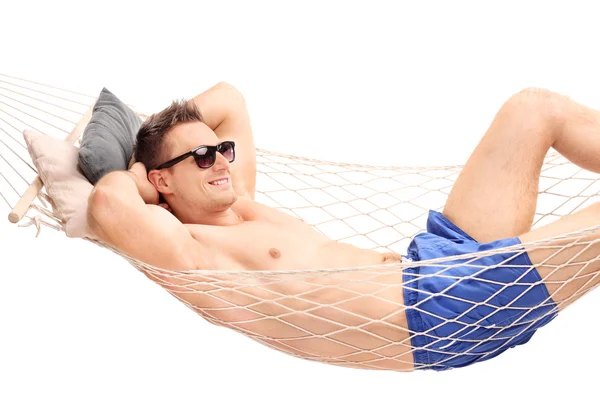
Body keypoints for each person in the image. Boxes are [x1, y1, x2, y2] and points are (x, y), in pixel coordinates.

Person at [87, 83, 600, 371]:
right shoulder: (193, 253)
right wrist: (141, 173)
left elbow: (230, 99)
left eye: (221, 149)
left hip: (437, 258)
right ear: (160, 181)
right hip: (444, 312)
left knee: (534, 110)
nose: (220, 161)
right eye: (201, 157)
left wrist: (163, 136)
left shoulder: (239, 200)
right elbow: (108, 204)